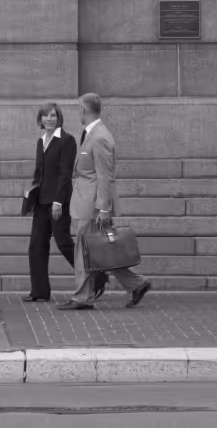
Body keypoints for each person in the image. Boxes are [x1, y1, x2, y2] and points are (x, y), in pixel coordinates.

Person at [58, 93, 152, 311]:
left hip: (93, 204)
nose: (77, 112)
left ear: (83, 109)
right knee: (101, 250)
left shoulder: (99, 136)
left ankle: (82, 297)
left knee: (84, 250)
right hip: (89, 201)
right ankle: (137, 284)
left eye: (78, 108)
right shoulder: (91, 133)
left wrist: (103, 208)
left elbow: (105, 175)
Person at [22, 102, 77, 302]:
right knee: (36, 246)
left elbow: (65, 174)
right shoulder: (41, 141)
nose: (49, 119)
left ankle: (96, 278)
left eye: (53, 115)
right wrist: (31, 197)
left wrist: (58, 201)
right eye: (45, 116)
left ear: (59, 117)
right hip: (41, 203)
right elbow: (39, 173)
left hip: (58, 203)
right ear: (40, 119)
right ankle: (39, 291)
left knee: (64, 243)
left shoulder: (67, 140)